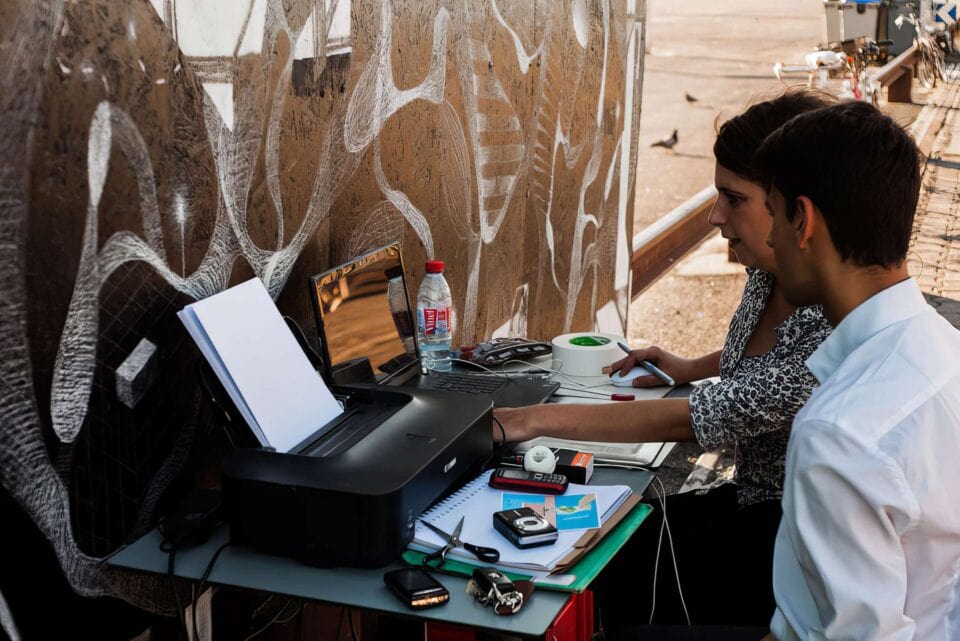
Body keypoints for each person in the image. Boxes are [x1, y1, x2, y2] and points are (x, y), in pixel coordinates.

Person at [493, 91, 834, 627]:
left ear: (794, 208)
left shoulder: (831, 325)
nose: (715, 215)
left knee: (613, 560)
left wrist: (528, 420)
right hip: (748, 502)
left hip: (786, 541)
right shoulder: (768, 272)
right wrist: (688, 366)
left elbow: (693, 416)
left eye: (733, 198)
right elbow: (763, 361)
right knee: (628, 532)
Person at [758, 101, 960, 639]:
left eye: (773, 213)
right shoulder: (945, 347)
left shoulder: (839, 433)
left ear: (804, 220)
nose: (772, 239)